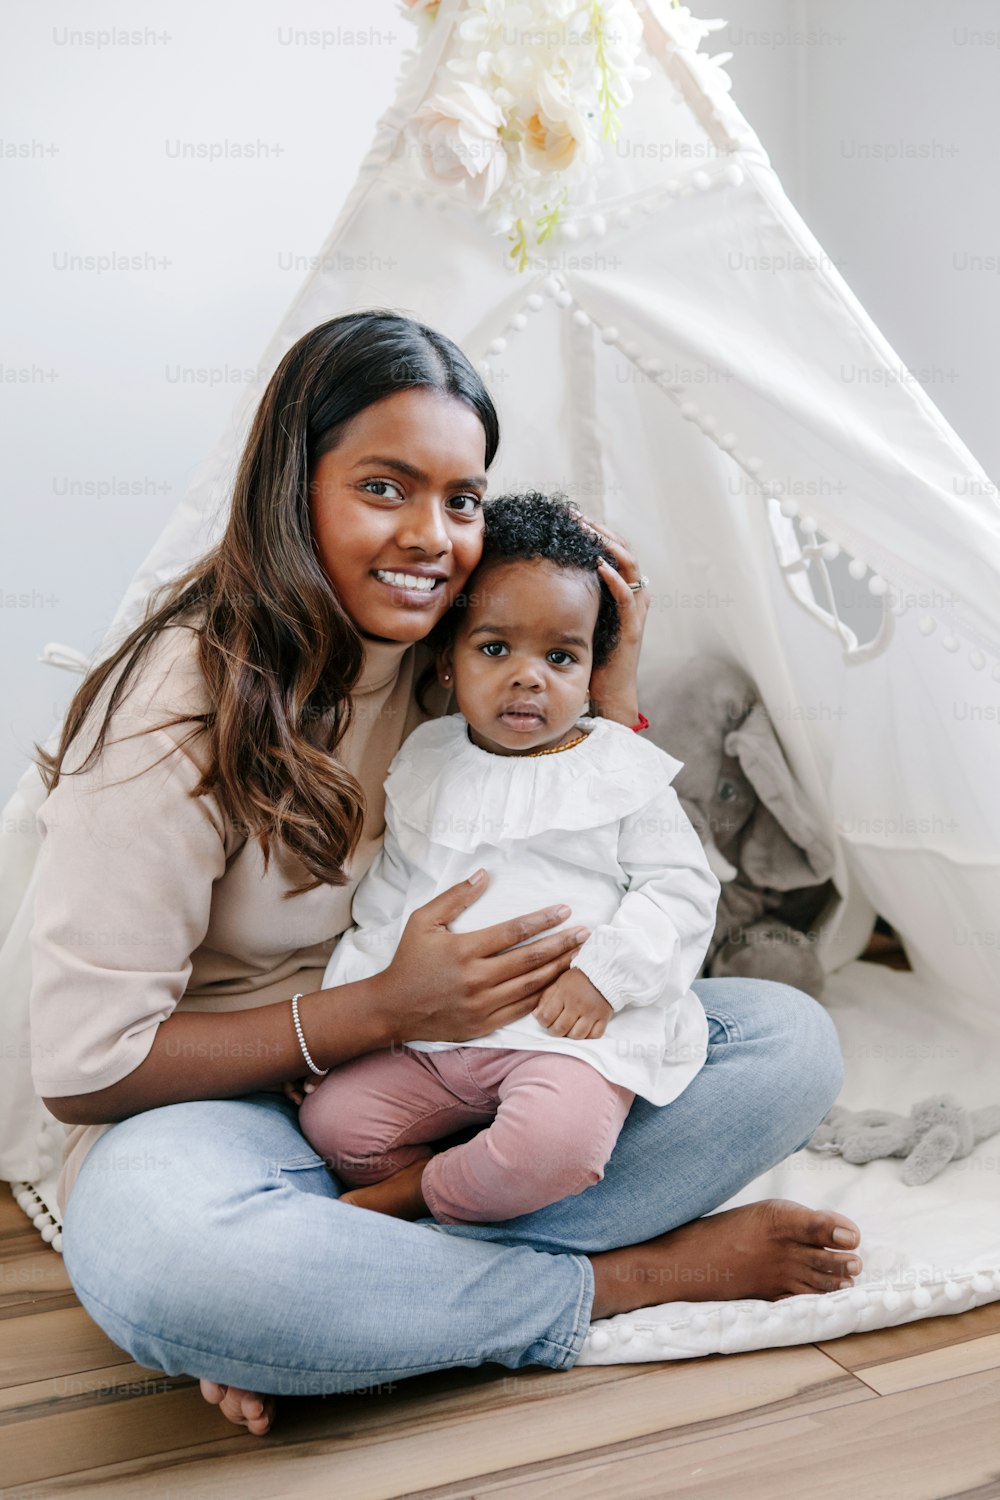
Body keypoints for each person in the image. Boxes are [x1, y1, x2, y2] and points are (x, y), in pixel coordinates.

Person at [29, 311, 862, 1439]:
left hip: (463, 1068)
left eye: (461, 499)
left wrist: (606, 697)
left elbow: (601, 850)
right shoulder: (172, 710)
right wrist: (381, 1008)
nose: (433, 537)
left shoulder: (448, 654)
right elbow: (86, 1070)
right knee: (175, 1271)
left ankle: (356, 1289)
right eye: (385, 487)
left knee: (783, 1040)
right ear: (293, 489)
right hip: (217, 1106)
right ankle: (624, 1279)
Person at [298, 492, 722, 1225]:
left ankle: (418, 1195)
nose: (530, 677)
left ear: (594, 669)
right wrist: (358, 1023)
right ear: (447, 665)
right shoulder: (426, 761)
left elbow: (682, 890)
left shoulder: (617, 765)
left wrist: (604, 976)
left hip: (567, 1037)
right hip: (438, 1038)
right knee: (336, 1127)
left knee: (554, 1149)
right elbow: (386, 903)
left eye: (561, 656)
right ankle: (474, 1178)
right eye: (496, 649)